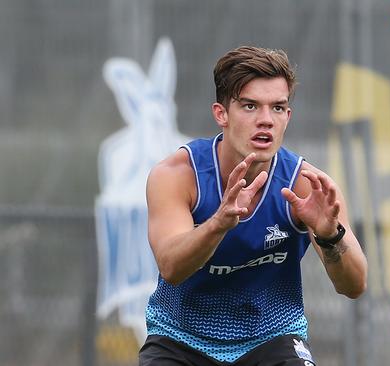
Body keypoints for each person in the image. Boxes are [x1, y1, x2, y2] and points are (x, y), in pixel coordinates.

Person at [139, 46, 367, 366]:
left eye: (277, 108)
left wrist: (331, 235)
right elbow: (171, 268)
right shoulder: (178, 176)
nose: (265, 120)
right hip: (181, 340)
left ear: (287, 117)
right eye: (250, 106)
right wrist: (220, 222)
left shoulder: (306, 185)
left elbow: (354, 286)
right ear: (221, 114)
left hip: (272, 337)